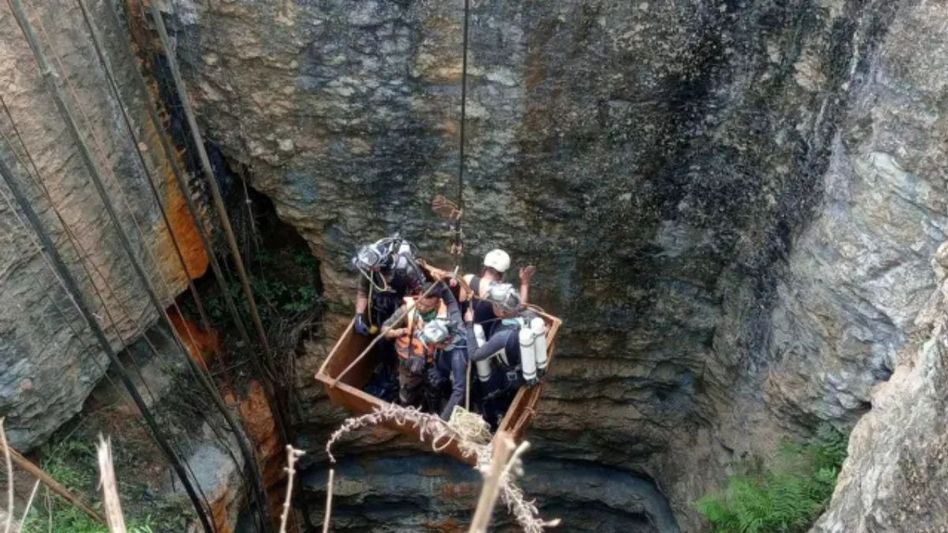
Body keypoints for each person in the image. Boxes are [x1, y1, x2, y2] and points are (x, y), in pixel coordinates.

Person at [465, 283, 546, 429]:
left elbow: (475, 355)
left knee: (485, 395)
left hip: (508, 379)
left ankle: (493, 423)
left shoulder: (501, 337)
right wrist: (524, 283)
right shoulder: (530, 315)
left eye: (493, 305)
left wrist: (469, 325)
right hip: (524, 370)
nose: (491, 306)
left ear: (502, 311)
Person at [381, 282, 466, 417]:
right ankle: (406, 415)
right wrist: (398, 332)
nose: (421, 307)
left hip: (434, 365)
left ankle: (432, 413)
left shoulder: (446, 318)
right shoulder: (408, 310)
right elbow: (385, 329)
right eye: (420, 303)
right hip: (409, 364)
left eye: (427, 306)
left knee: (435, 392)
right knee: (406, 396)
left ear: (437, 303)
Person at [351, 234, 425, 336]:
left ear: (382, 263)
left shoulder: (406, 269)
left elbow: (422, 292)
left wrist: (411, 312)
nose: (369, 269)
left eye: (372, 268)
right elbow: (363, 291)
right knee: (379, 331)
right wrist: (359, 316)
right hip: (379, 306)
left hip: (401, 307)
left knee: (394, 335)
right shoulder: (369, 269)